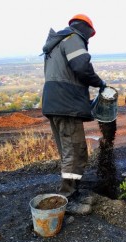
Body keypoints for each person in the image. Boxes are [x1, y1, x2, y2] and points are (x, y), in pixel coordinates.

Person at [41, 14, 106, 214]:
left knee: (71, 151)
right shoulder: (73, 38)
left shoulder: (57, 43)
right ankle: (68, 199)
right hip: (66, 104)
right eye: (90, 35)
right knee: (75, 151)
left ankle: (73, 191)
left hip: (56, 102)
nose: (89, 39)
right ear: (85, 28)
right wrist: (99, 83)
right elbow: (81, 66)